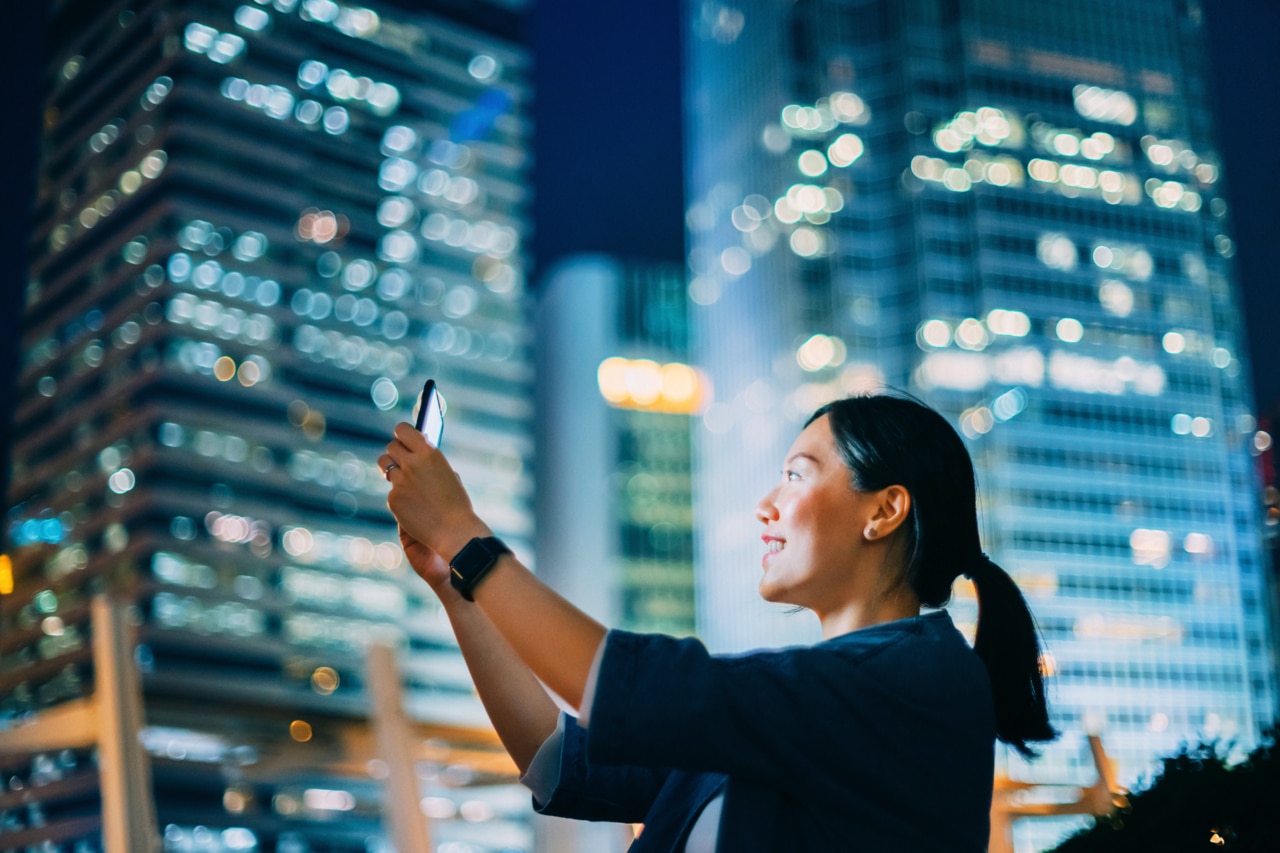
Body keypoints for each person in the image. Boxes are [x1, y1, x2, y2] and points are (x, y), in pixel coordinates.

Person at [379, 393, 1056, 851]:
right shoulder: (799, 708)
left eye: (798, 474)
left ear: (883, 511)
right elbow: (558, 760)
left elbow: (620, 683)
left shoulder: (919, 679)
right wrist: (456, 587)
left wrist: (464, 533)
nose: (767, 503)